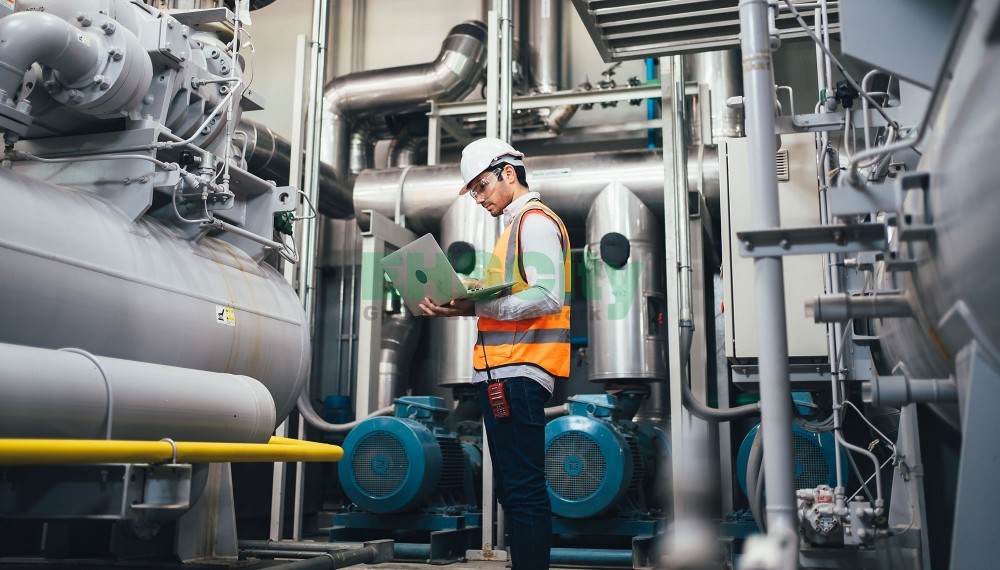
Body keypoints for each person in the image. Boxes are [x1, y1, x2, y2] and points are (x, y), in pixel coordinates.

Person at [418, 137, 570, 570]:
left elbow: (547, 295)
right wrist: (459, 308)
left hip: (520, 373)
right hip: (504, 373)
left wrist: (477, 304)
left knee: (522, 490)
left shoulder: (534, 221)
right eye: (473, 192)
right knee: (512, 488)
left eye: (481, 187)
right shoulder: (513, 228)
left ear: (508, 172)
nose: (479, 199)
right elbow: (504, 305)